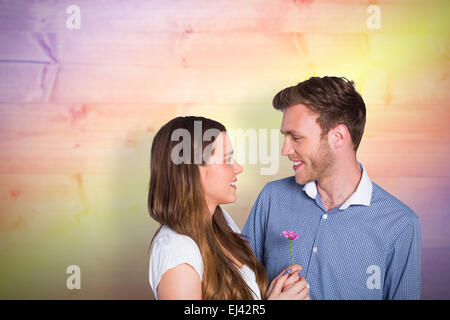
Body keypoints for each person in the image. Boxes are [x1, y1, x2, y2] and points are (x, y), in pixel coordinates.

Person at [242, 76, 421, 300]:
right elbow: (234, 293)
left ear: (338, 136)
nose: (285, 150)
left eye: (296, 137)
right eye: (285, 137)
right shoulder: (271, 198)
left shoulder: (400, 225)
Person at [147, 116, 310, 300]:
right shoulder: (176, 251)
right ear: (193, 171)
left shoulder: (221, 222)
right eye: (227, 159)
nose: (238, 168)